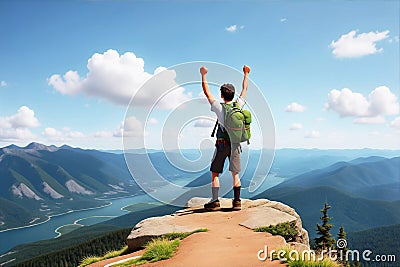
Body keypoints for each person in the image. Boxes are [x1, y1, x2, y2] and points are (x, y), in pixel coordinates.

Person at [200, 65, 250, 210]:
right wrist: (246, 74)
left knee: (215, 173)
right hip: (235, 144)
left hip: (221, 144)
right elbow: (245, 89)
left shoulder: (218, 107)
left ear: (222, 95)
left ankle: (215, 201)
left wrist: (203, 74)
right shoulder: (238, 105)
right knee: (235, 174)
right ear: (233, 95)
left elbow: (206, 92)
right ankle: (237, 201)